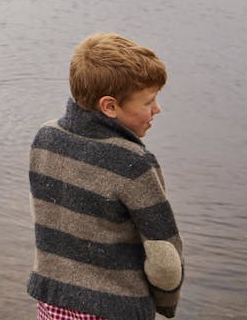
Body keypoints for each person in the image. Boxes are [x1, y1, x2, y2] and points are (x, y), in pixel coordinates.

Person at [27, 33, 184, 320]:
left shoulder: (45, 137)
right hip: (115, 309)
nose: (157, 109)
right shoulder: (133, 162)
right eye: (149, 101)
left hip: (52, 303)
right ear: (109, 106)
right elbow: (164, 256)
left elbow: (47, 214)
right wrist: (166, 303)